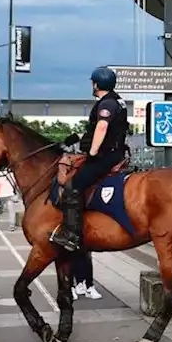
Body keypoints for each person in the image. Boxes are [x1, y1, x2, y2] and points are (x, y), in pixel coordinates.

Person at [52, 67, 128, 252]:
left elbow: (102, 128)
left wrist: (93, 152)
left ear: (96, 84)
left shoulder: (107, 104)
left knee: (72, 187)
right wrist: (75, 138)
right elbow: (97, 129)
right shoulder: (116, 101)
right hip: (114, 151)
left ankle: (72, 236)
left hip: (106, 156)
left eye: (92, 82)